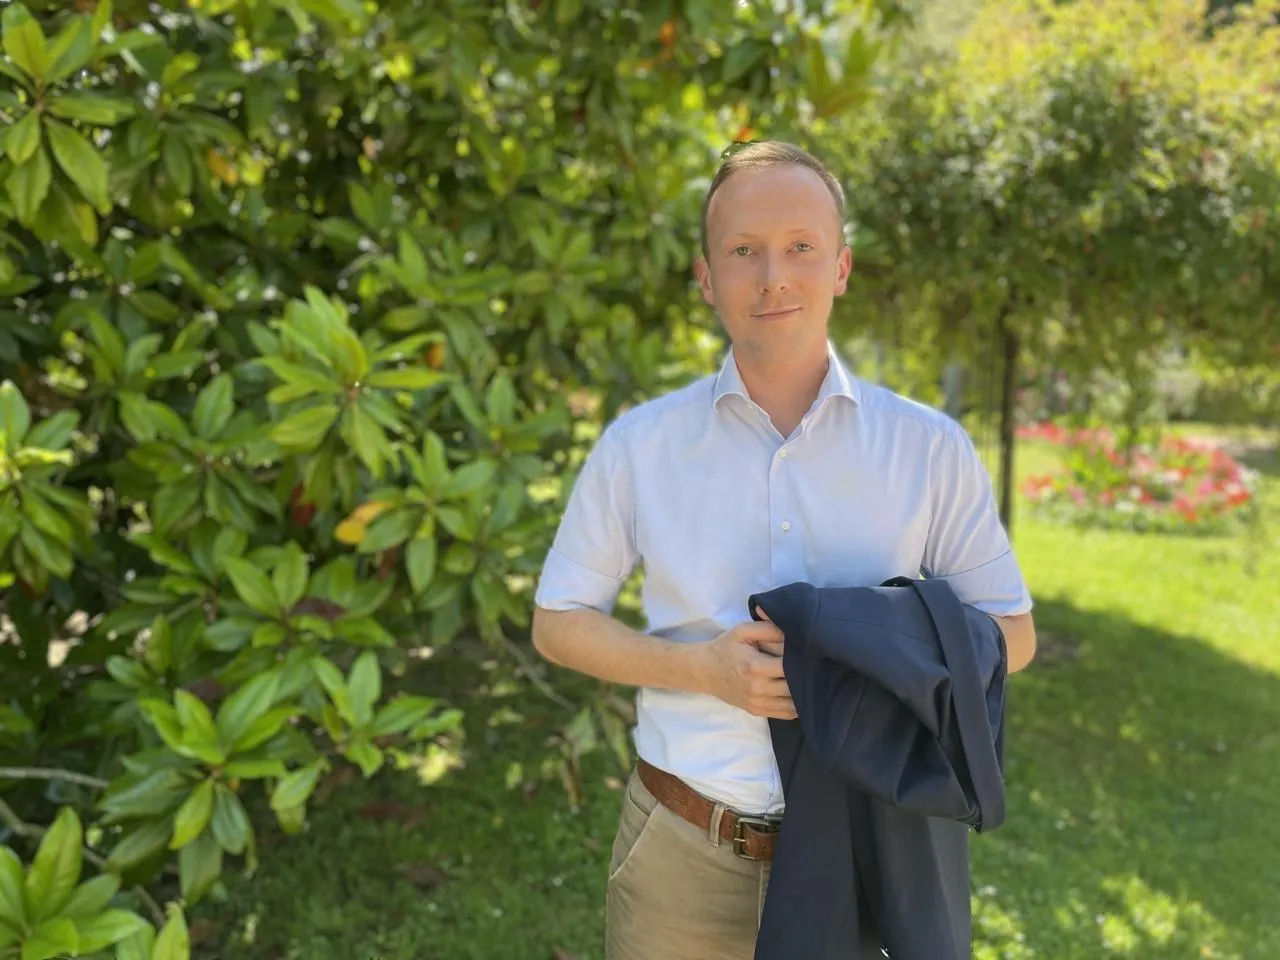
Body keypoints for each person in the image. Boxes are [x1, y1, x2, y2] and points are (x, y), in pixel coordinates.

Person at [530, 140, 1037, 960]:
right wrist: (702, 669)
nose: (773, 277)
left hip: (870, 857)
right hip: (683, 855)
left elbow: (1013, 634)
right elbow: (558, 623)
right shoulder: (639, 447)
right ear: (706, 277)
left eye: (801, 246)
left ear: (841, 267)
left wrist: (874, 655)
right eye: (744, 251)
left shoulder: (929, 448)